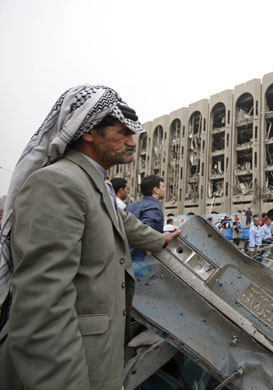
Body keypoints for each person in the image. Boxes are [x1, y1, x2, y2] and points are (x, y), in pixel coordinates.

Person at [0, 85, 180, 390]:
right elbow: (44, 308)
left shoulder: (95, 184)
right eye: (122, 132)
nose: (132, 142)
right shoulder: (57, 183)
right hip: (69, 366)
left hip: (100, 357)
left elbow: (121, 221)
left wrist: (161, 240)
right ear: (87, 131)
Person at [125, 175, 166, 260]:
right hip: (141, 261)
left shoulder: (130, 206)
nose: (164, 189)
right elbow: (147, 236)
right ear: (156, 190)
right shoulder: (153, 207)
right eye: (163, 186)